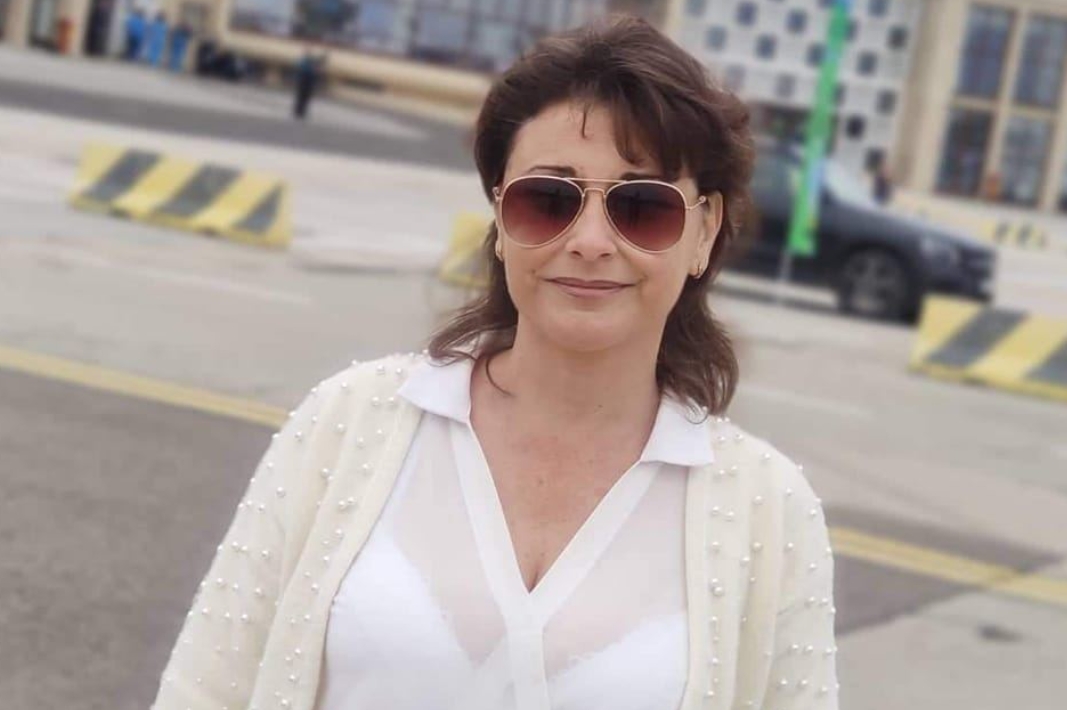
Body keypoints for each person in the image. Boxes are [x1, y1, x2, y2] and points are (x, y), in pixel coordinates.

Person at [151, 16, 839, 710]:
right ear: (500, 219)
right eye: (548, 200)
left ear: (705, 231)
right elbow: (203, 691)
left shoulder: (769, 511)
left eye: (641, 207)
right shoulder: (348, 421)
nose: (590, 240)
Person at [292, 49, 325, 119]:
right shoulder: (307, 64)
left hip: (306, 83)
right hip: (305, 82)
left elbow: (315, 74)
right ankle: (299, 111)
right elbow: (304, 71)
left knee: (303, 98)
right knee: (302, 98)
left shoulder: (309, 63)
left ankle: (300, 111)